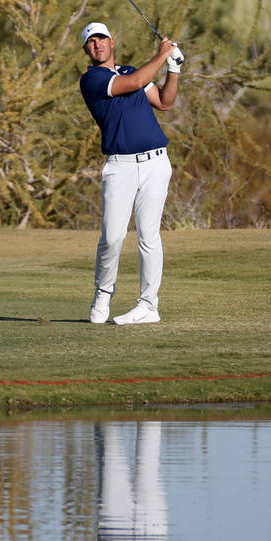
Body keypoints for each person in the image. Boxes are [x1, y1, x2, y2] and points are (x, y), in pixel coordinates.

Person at [79, 22, 183, 325]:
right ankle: (103, 293)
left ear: (113, 42)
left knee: (149, 236)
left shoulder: (130, 71)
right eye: (91, 42)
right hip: (120, 167)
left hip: (155, 163)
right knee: (112, 237)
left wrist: (174, 68)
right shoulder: (92, 80)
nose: (97, 45)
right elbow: (137, 83)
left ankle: (149, 305)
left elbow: (165, 102)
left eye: (102, 39)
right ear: (86, 49)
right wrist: (163, 54)